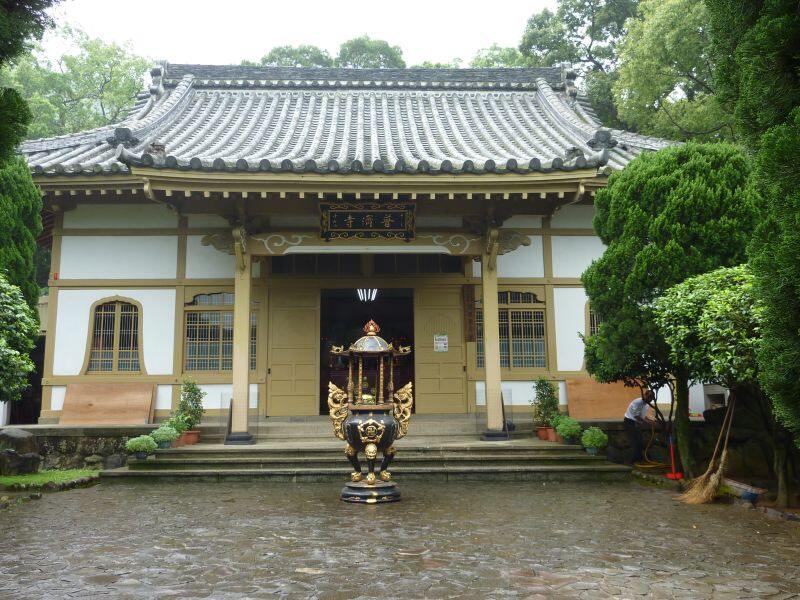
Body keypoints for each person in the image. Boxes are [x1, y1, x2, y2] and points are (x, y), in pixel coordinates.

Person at [624, 390, 655, 464]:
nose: (649, 400)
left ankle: (639, 459)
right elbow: (636, 416)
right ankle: (632, 461)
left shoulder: (646, 404)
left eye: (651, 399)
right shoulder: (637, 402)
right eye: (649, 397)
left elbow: (642, 415)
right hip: (630, 422)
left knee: (640, 441)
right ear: (645, 395)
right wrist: (646, 422)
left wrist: (649, 420)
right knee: (635, 441)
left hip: (637, 423)